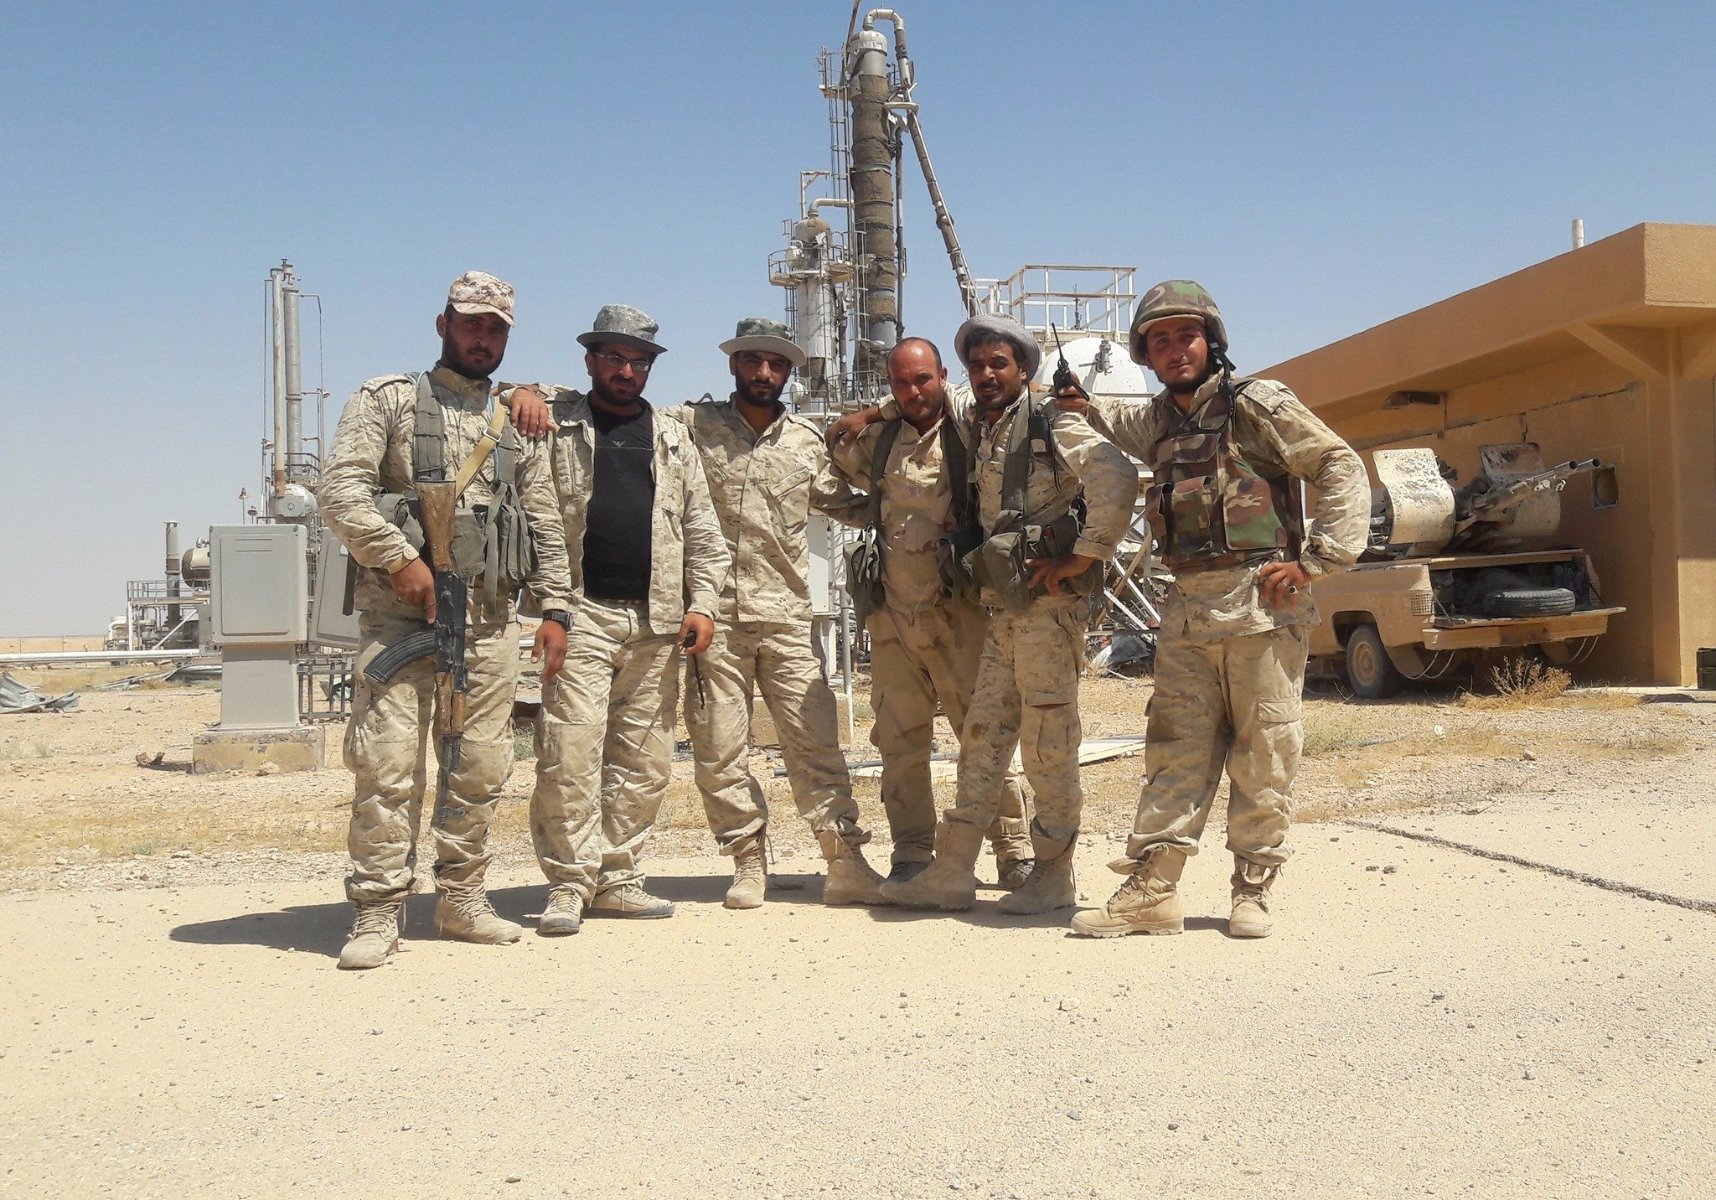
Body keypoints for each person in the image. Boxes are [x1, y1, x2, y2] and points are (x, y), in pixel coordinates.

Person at [513, 317, 890, 910]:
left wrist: (902, 477)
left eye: (776, 363)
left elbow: (847, 504)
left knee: (815, 743)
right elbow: (593, 401)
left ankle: (844, 860)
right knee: (718, 752)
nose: (763, 372)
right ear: (733, 364)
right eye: (752, 360)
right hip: (712, 622)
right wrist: (523, 391)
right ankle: (747, 860)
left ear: (789, 372)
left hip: (787, 619)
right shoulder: (689, 426)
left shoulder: (805, 442)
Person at [1056, 280, 1369, 939]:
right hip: (1187, 614)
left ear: (1211, 341)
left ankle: (1252, 888)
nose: (1176, 350)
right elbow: (1105, 417)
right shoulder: (1157, 421)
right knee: (1175, 752)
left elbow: (1337, 463)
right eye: (1160, 340)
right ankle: (1153, 891)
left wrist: (1318, 559)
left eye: (1187, 336)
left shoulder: (1258, 404)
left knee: (1265, 751)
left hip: (1262, 607)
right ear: (1145, 354)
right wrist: (1072, 400)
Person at [319, 271, 572, 971]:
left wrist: (555, 607)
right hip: (399, 620)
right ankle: (378, 908)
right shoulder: (389, 399)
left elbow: (543, 519)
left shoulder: (516, 419)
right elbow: (340, 492)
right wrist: (400, 559)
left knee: (481, 764)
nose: (482, 338)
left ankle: (461, 897)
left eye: (495, 328)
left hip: (488, 621)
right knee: (389, 766)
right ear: (444, 324)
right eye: (471, 323)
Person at [852, 315, 1138, 915]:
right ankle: (953, 868)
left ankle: (1054, 872)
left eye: (998, 364)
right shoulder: (981, 420)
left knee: (1048, 743)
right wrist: (875, 413)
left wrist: (1087, 554)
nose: (985, 374)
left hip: (1049, 610)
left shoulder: (1051, 421)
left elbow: (1114, 473)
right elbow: (922, 394)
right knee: (982, 739)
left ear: (1024, 370)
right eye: (977, 365)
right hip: (1004, 606)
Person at [507, 305, 730, 932]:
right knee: (569, 753)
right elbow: (499, 404)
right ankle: (569, 884)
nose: (626, 371)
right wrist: (553, 608)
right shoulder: (557, 423)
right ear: (591, 361)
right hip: (581, 614)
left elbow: (703, 529)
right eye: (614, 358)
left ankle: (618, 876)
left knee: (644, 760)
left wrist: (703, 603)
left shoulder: (672, 437)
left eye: (638, 361)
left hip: (656, 621)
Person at [825, 337, 1035, 887]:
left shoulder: (969, 428)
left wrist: (878, 407)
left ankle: (1013, 849)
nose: (913, 391)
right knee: (899, 742)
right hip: (893, 616)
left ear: (942, 376)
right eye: (900, 383)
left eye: (923, 379)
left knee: (984, 735)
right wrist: (874, 422)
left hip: (960, 612)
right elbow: (830, 454)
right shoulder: (880, 441)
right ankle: (912, 851)